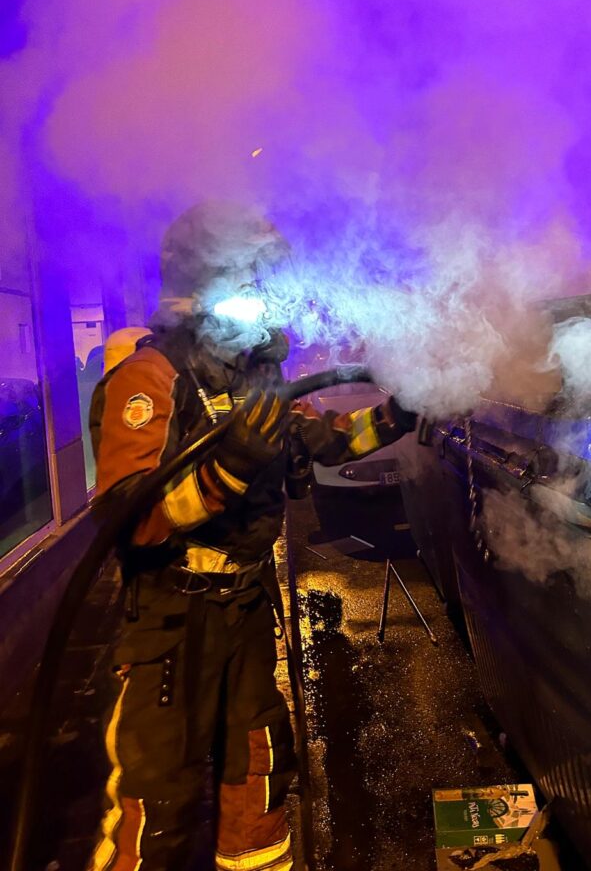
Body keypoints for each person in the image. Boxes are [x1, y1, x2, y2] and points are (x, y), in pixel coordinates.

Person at [87, 203, 416, 871]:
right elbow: (124, 514)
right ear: (202, 287)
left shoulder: (260, 381)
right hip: (169, 630)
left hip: (243, 615)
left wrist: (402, 412)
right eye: (250, 281)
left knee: (260, 777)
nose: (263, 298)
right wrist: (225, 469)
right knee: (155, 805)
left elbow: (328, 441)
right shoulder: (149, 380)